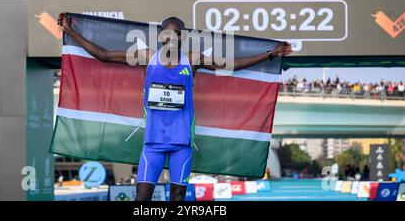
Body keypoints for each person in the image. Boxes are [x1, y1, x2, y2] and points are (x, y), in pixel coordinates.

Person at [58, 13, 292, 201]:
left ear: (182, 37)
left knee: (178, 196)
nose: (172, 37)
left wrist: (272, 54)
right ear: (161, 36)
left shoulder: (192, 60)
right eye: (167, 33)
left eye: (177, 34)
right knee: (142, 199)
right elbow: (105, 55)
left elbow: (234, 64)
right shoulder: (146, 57)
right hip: (153, 144)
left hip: (182, 144)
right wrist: (70, 31)